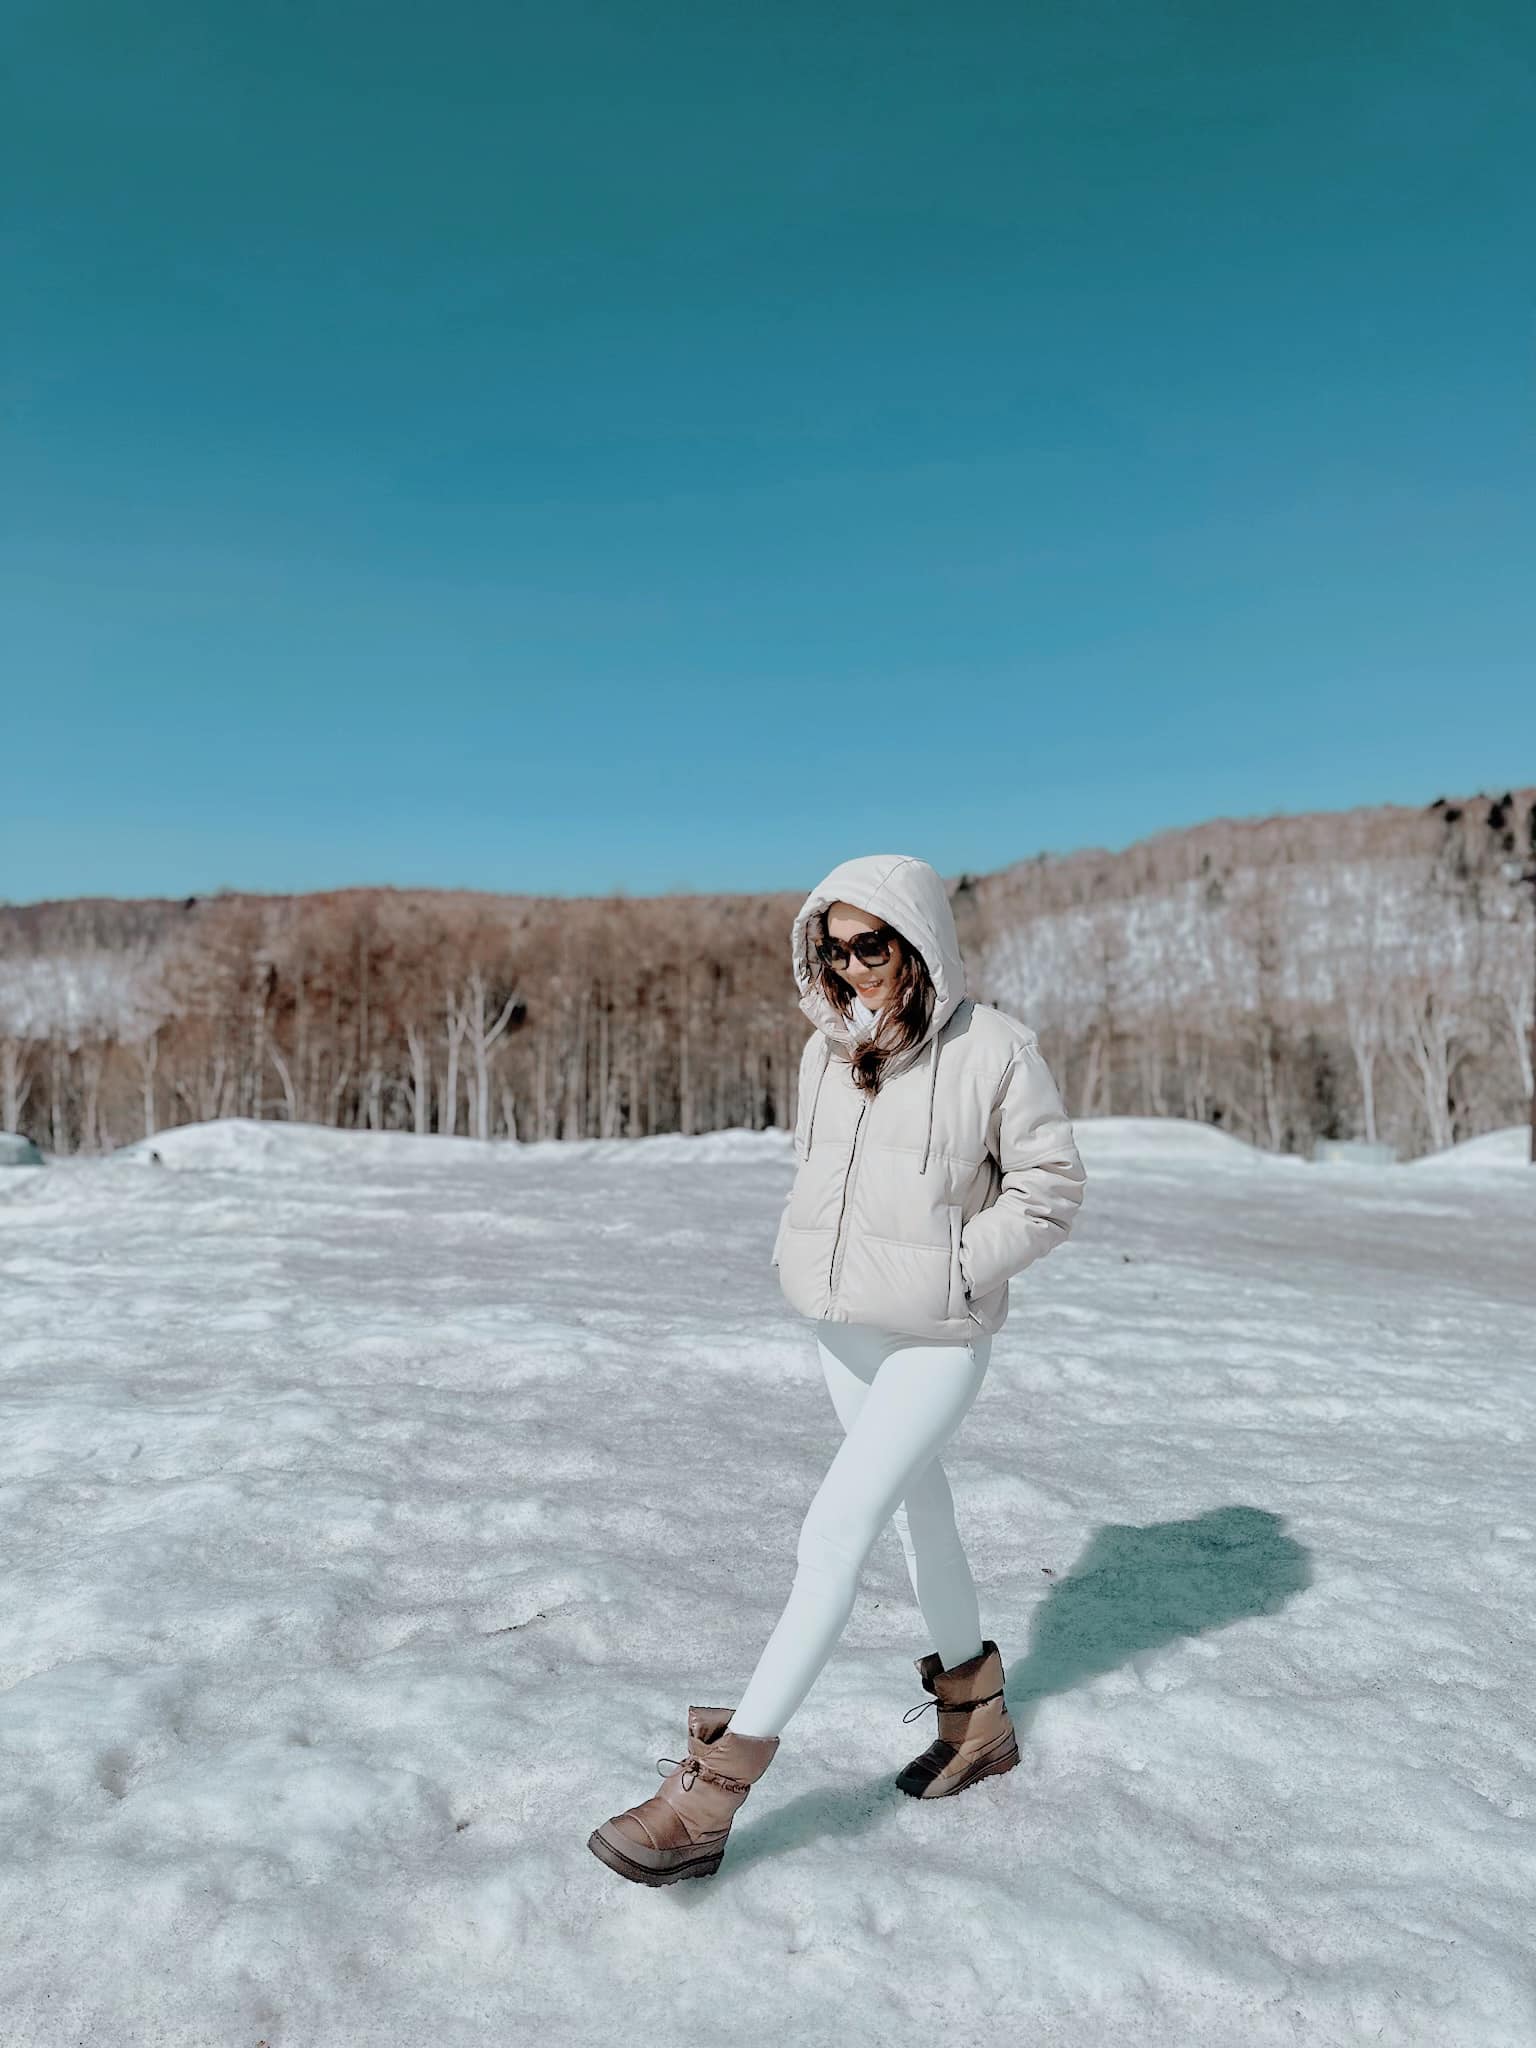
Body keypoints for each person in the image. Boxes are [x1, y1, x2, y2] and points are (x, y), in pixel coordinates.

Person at [587, 853, 1086, 1887]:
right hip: (843, 1331)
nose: (851, 965)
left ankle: (711, 1794)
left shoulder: (995, 1048)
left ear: (917, 943)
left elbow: (1049, 1188)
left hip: (935, 1341)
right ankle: (977, 1723)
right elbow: (817, 1172)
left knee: (832, 1536)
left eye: (870, 944)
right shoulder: (827, 1050)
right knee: (921, 1518)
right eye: (832, 946)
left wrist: (958, 1265)